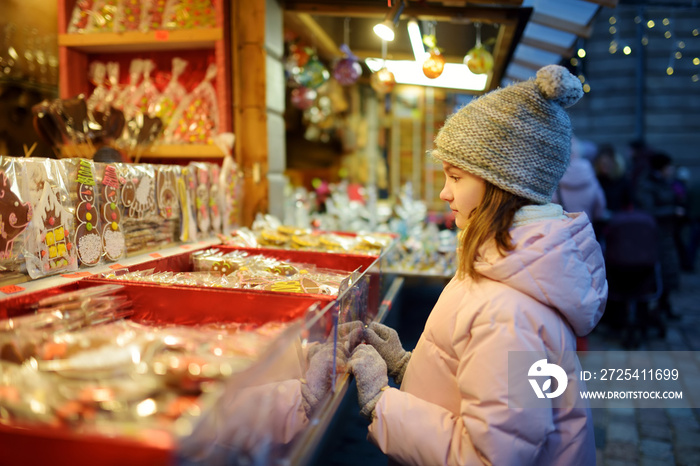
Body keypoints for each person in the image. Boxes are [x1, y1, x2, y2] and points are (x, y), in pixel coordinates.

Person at [347, 65, 608, 466]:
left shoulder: (509, 311)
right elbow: (474, 382)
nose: (444, 192)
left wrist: (381, 403)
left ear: (501, 185)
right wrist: (407, 365)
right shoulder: (502, 269)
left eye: (455, 176)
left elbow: (488, 457)